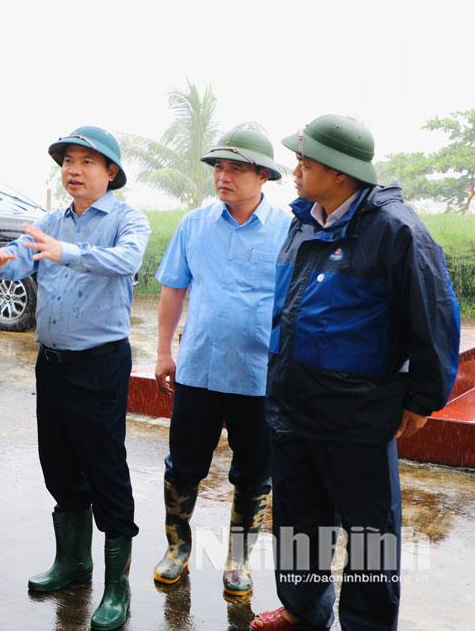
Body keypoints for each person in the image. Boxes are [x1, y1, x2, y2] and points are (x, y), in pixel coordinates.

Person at [251, 115, 461, 631]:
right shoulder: (304, 220)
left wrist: (422, 398)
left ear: (341, 173)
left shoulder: (394, 230)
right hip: (293, 404)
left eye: (306, 160)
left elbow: (434, 316)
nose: (295, 169)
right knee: (300, 521)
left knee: (371, 535)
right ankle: (304, 610)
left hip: (357, 415)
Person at [0, 126, 150, 630]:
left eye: (86, 162)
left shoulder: (126, 219)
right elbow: (23, 258)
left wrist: (67, 252)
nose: (73, 170)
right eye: (68, 161)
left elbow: (127, 261)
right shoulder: (52, 220)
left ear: (110, 172)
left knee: (106, 471)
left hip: (99, 365)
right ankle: (74, 562)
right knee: (58, 464)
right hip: (51, 363)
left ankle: (117, 588)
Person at [152, 128, 292, 597]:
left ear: (263, 175)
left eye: (235, 168)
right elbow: (174, 287)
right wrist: (163, 350)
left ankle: (237, 561)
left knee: (254, 473)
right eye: (218, 167)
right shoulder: (195, 225)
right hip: (200, 370)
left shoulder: (288, 228)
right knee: (184, 465)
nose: (222, 176)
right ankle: (177, 548)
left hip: (260, 375)